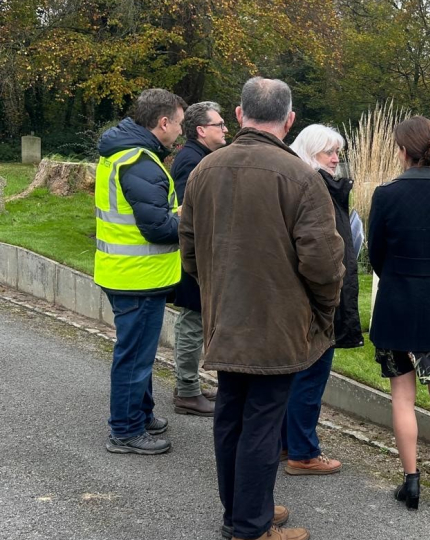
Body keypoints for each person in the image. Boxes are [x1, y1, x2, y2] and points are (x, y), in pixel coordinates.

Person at [179, 77, 344, 540]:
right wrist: (323, 312)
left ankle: (242, 512)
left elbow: (188, 251)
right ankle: (251, 526)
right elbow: (324, 264)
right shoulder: (302, 177)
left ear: (238, 114)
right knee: (262, 424)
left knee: (232, 413)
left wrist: (218, 288)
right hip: (278, 322)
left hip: (226, 316)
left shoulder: (203, 171)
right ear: (289, 121)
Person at [367, 116, 430, 511]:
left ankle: (411, 482)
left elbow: (376, 254)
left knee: (402, 398)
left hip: (397, 306)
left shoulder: (385, 194)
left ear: (403, 151)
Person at [94, 88, 187, 455]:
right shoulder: (139, 162)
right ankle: (126, 430)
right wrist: (187, 218)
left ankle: (141, 413)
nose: (181, 131)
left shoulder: (127, 154)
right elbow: (157, 227)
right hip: (136, 277)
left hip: (128, 272)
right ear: (163, 122)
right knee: (134, 356)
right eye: (179, 123)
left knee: (140, 353)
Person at [281, 125, 363, 475]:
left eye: (337, 153)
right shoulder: (315, 189)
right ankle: (303, 452)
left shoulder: (302, 183)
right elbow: (322, 254)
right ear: (309, 151)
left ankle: (288, 443)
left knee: (298, 375)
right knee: (310, 376)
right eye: (328, 152)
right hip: (317, 299)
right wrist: (329, 297)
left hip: (303, 297)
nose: (335, 159)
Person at [170, 101, 229, 417]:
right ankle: (188, 391)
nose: (225, 129)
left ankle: (189, 387)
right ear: (200, 129)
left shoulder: (200, 158)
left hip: (203, 253)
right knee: (192, 320)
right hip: (197, 254)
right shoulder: (192, 161)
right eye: (219, 124)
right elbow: (190, 211)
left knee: (198, 320)